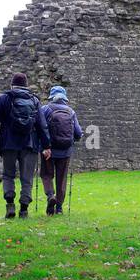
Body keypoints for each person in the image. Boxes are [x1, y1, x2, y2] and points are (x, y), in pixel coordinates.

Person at [0, 72, 51, 219]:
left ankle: (10, 204)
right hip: (29, 145)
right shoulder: (35, 101)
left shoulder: (4, 99)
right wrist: (46, 146)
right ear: (26, 86)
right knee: (27, 178)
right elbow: (42, 125)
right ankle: (24, 210)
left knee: (8, 175)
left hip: (8, 144)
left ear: (12, 85)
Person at [40, 85, 82, 215]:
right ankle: (59, 208)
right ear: (65, 98)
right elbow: (78, 133)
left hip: (48, 151)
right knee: (61, 178)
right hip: (65, 151)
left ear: (52, 97)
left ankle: (50, 195)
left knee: (46, 175)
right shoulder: (70, 112)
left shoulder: (45, 109)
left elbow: (39, 128)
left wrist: (42, 146)